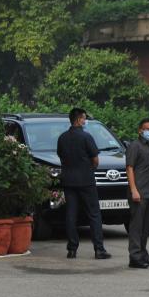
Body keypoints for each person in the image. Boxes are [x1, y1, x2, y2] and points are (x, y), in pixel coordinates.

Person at [57, 107, 110, 259]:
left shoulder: (62, 138)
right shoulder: (86, 137)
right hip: (86, 180)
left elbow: (61, 157)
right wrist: (89, 169)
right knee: (94, 214)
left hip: (68, 180)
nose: (85, 121)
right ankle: (99, 249)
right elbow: (95, 159)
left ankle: (72, 249)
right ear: (79, 119)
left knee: (71, 214)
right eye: (84, 118)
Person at [125, 118, 149, 268]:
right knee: (136, 227)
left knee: (146, 227)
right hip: (139, 193)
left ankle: (143, 255)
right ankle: (135, 257)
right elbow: (129, 168)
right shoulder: (135, 146)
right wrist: (133, 189)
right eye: (148, 129)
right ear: (140, 130)